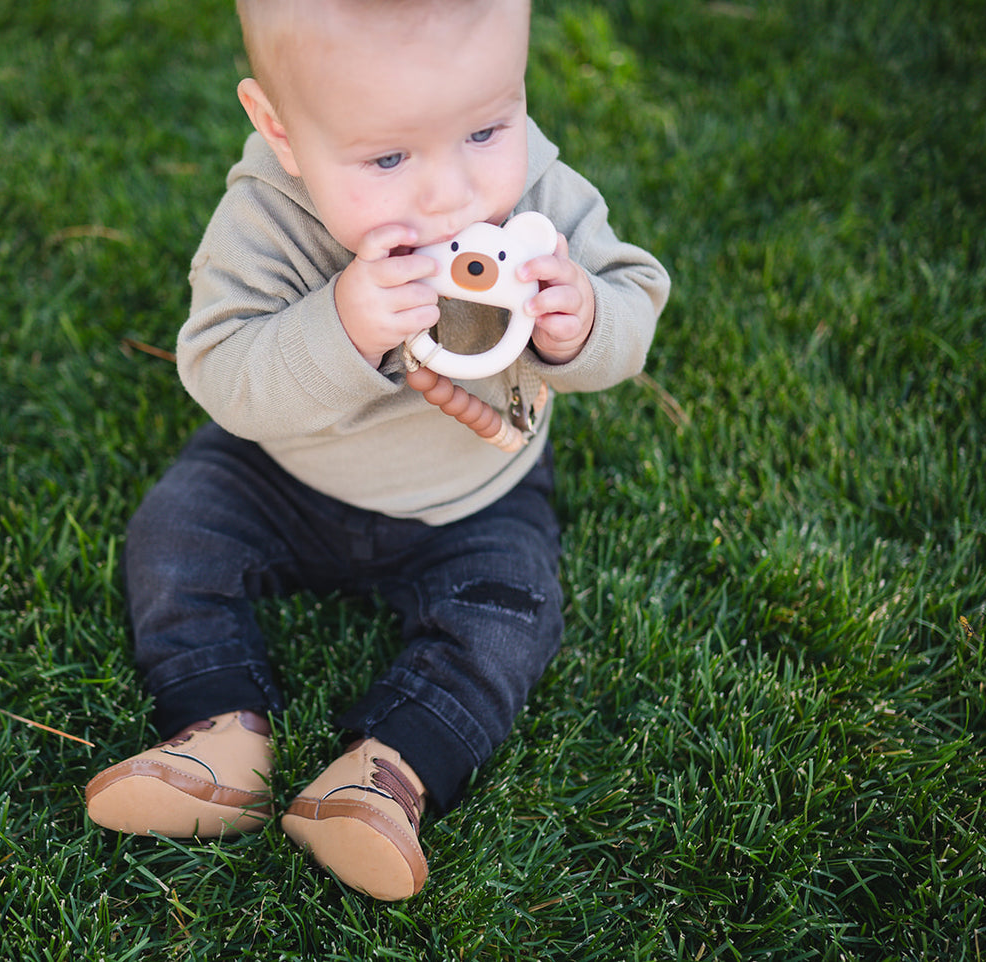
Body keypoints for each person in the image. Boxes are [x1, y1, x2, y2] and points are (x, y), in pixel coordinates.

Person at [84, 0, 670, 902]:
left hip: (474, 494)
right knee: (175, 536)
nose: (449, 192)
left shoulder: (537, 194)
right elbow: (220, 368)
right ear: (281, 131)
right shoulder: (267, 219)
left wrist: (582, 316)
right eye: (389, 157)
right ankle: (216, 732)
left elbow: (633, 292)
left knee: (514, 611)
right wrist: (341, 327)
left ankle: (384, 775)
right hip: (282, 474)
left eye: (485, 127)